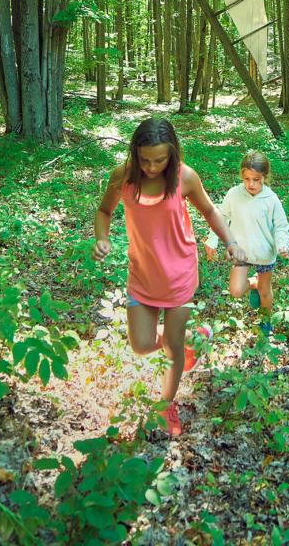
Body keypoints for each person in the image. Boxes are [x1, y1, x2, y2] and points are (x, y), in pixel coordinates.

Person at [92, 117, 244, 437]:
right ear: (134, 153)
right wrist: (102, 238)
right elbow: (104, 211)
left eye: (159, 159)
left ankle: (166, 405)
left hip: (179, 273)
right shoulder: (122, 177)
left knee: (172, 350)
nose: (151, 166)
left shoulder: (184, 177)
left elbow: (210, 211)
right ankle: (193, 336)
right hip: (142, 274)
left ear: (172, 153)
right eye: (144, 159)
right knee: (142, 345)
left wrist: (230, 242)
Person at [205, 150, 289, 336]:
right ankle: (253, 283)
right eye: (247, 179)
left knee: (265, 292)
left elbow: (281, 226)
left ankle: (266, 322)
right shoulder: (234, 194)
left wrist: (283, 243)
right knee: (235, 290)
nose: (251, 184)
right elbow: (221, 217)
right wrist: (212, 239)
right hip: (241, 252)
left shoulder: (271, 199)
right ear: (241, 176)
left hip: (264, 253)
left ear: (264, 178)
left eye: (256, 179)